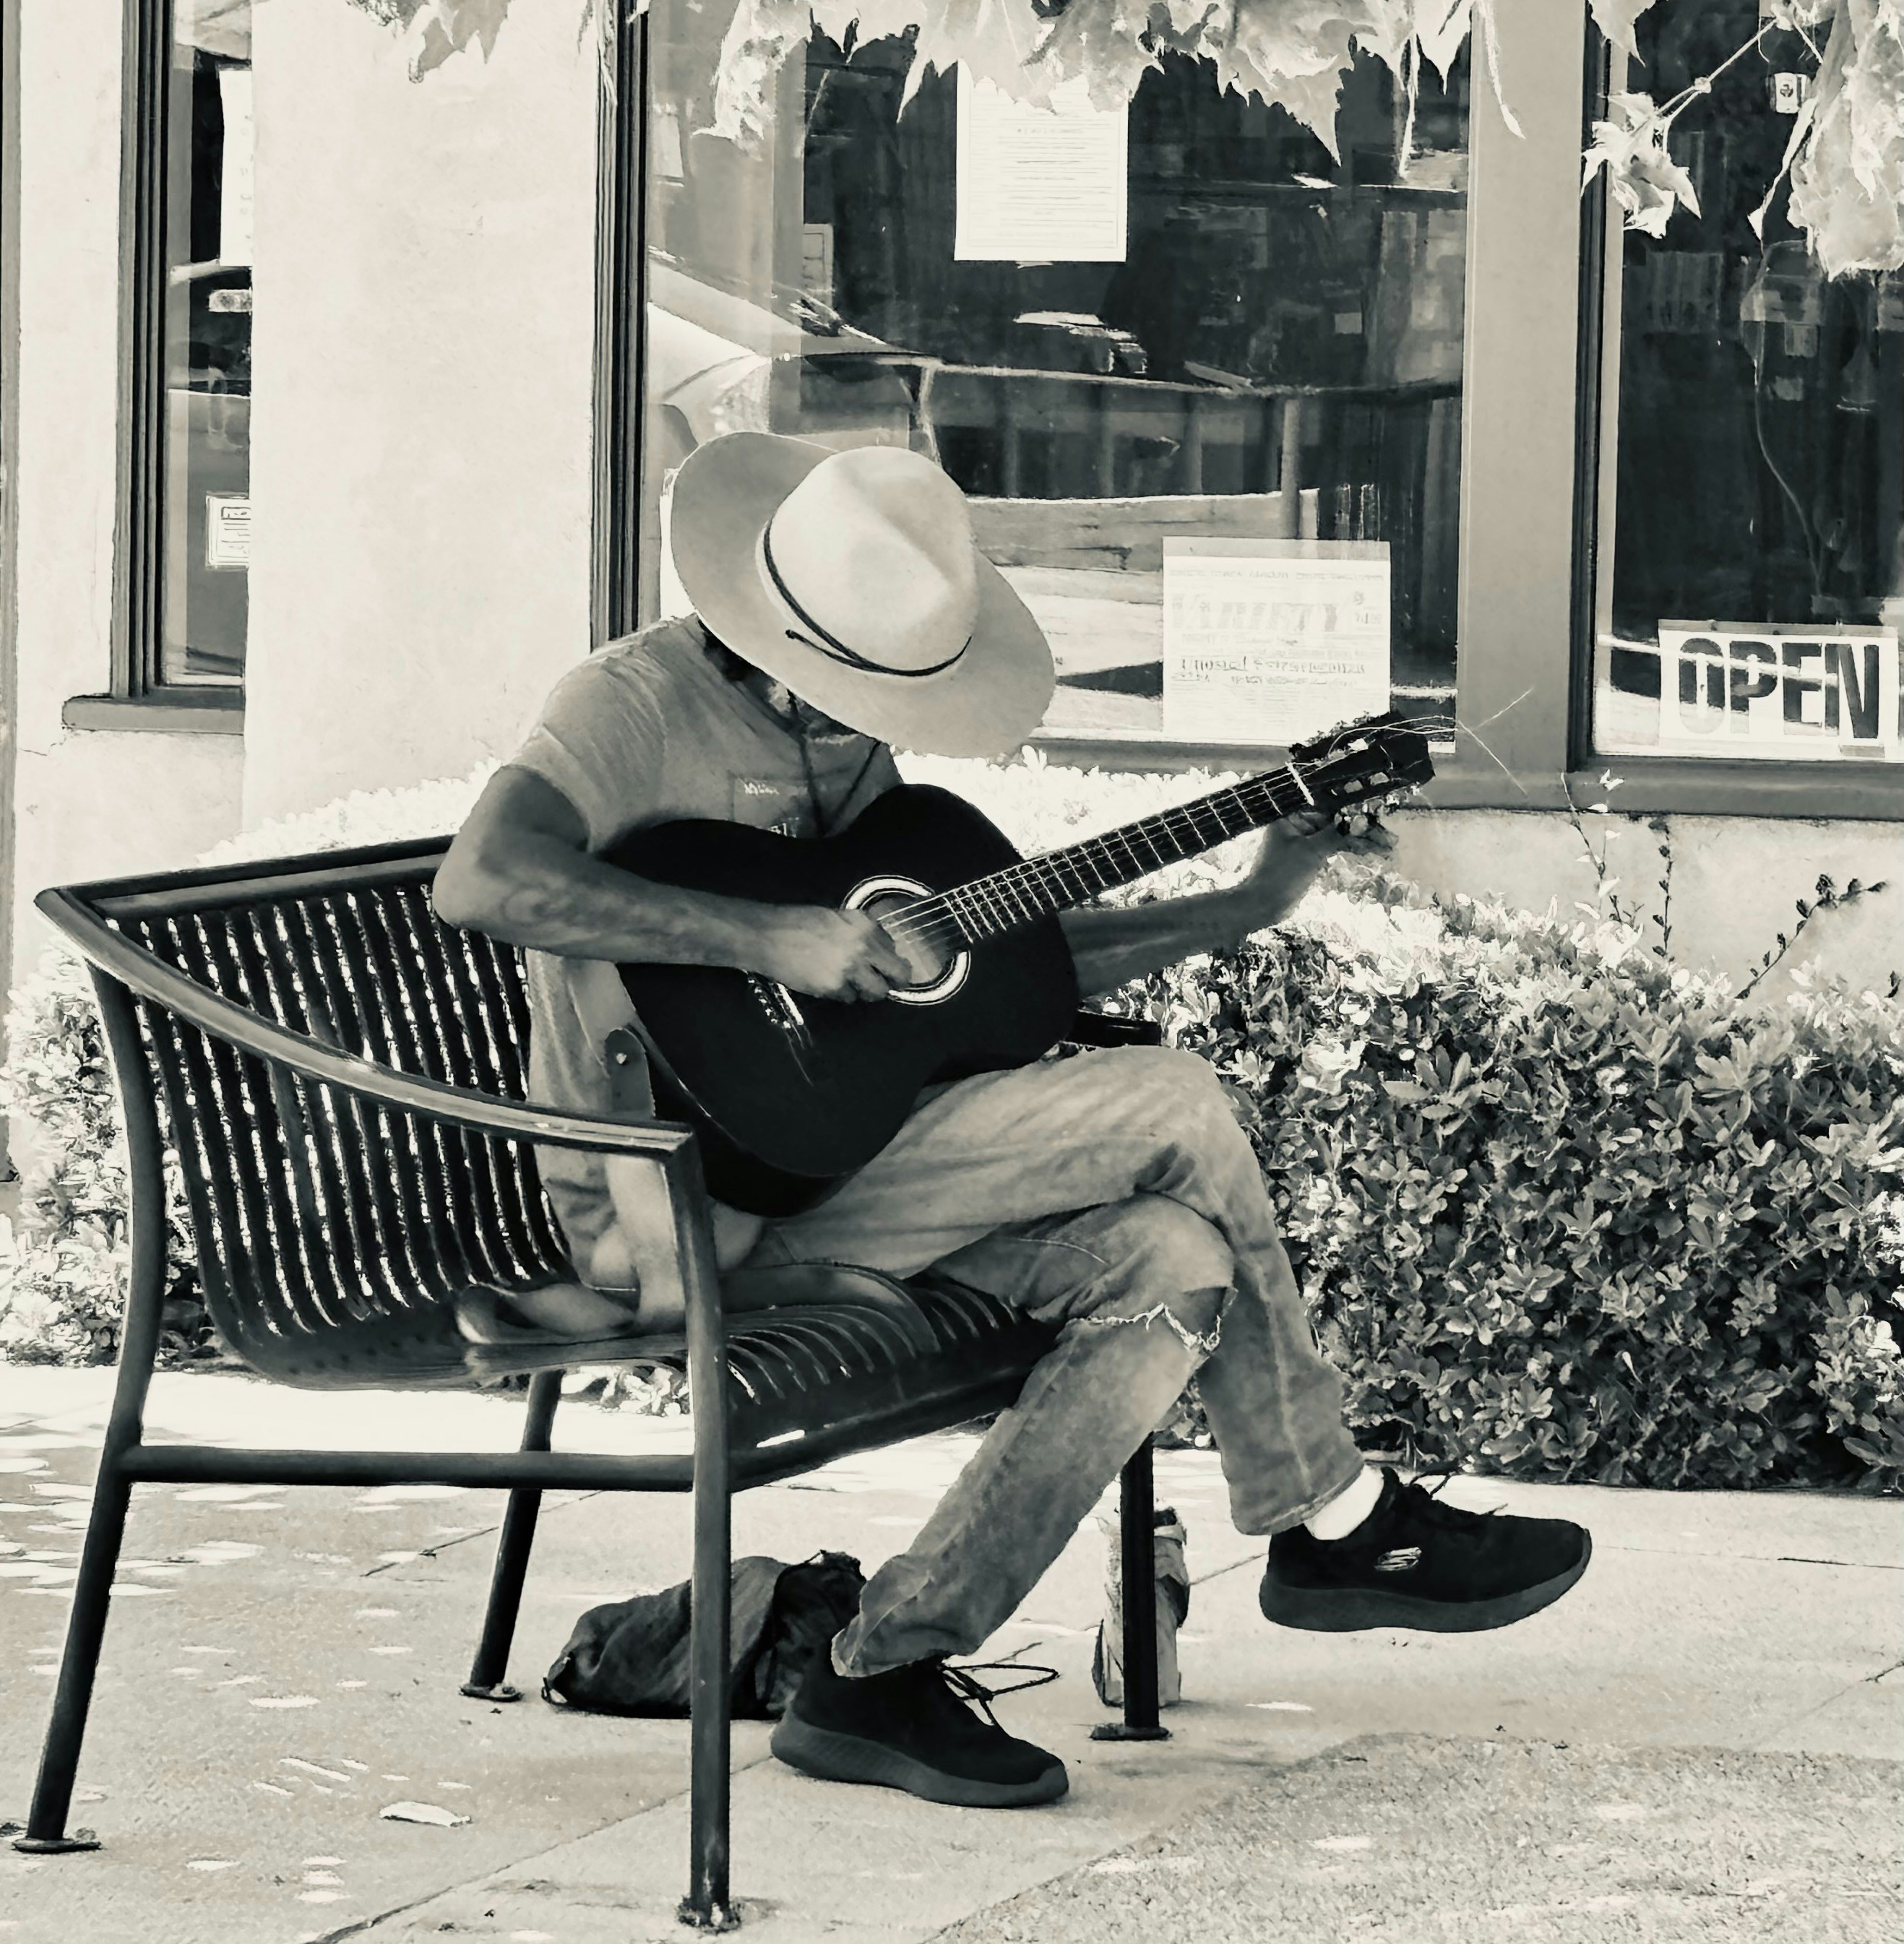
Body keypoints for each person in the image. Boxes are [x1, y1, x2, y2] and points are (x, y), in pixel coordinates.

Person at [433, 436, 1592, 1813]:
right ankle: (1331, 1521)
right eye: (846, 684)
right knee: (1173, 1098)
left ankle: (878, 1672)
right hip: (673, 1203)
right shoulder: (628, 706)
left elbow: (981, 981)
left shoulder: (845, 740)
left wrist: (1244, 902)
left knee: (1172, 1260)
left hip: (839, 1172)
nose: (858, 718)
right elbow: (483, 878)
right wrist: (763, 934)